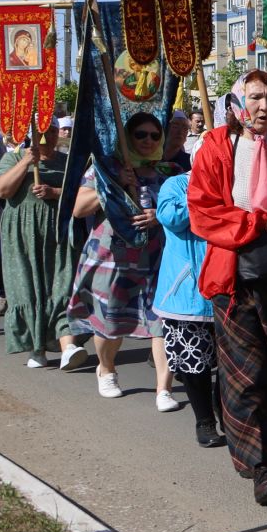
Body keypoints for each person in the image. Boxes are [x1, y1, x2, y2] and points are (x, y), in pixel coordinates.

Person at [187, 70, 267, 505]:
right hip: (234, 277)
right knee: (247, 371)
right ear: (239, 101)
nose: (264, 106)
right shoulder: (217, 147)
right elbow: (203, 213)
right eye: (255, 97)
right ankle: (260, 467)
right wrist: (259, 221)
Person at [68, 111, 184, 401]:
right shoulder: (104, 170)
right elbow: (79, 208)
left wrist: (159, 216)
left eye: (154, 135)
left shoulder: (169, 171)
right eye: (140, 134)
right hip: (111, 256)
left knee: (162, 322)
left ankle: (164, 388)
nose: (148, 140)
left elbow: (185, 210)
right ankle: (106, 370)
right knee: (110, 321)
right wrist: (114, 184)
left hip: (157, 258)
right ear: (128, 137)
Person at [0, 126, 83, 370]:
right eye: (41, 133)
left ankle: (68, 346)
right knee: (28, 287)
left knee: (63, 283)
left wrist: (55, 192)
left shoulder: (69, 161)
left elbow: (84, 192)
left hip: (59, 231)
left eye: (52, 132)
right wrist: (26, 161)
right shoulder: (13, 157)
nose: (46, 138)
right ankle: (37, 348)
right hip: (23, 234)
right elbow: (3, 190)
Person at [153, 172, 222, 449]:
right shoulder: (176, 184)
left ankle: (225, 410)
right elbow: (171, 218)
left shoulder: (232, 177)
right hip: (186, 292)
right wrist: (200, 189)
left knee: (231, 363)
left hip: (227, 284)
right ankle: (204, 420)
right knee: (195, 362)